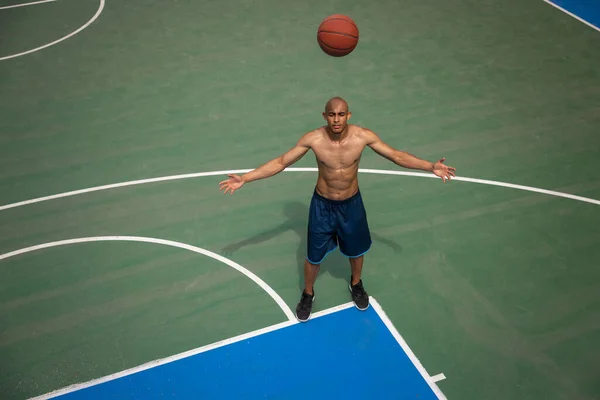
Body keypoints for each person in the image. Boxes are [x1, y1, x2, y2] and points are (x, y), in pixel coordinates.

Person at [219, 97, 456, 322]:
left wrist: (429, 166)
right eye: (331, 114)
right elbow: (282, 162)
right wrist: (246, 179)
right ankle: (308, 294)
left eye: (341, 114)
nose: (336, 119)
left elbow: (396, 155)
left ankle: (356, 284)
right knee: (313, 257)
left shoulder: (362, 137)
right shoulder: (313, 139)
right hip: (322, 206)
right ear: (324, 115)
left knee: (356, 251)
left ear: (348, 115)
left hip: (351, 205)